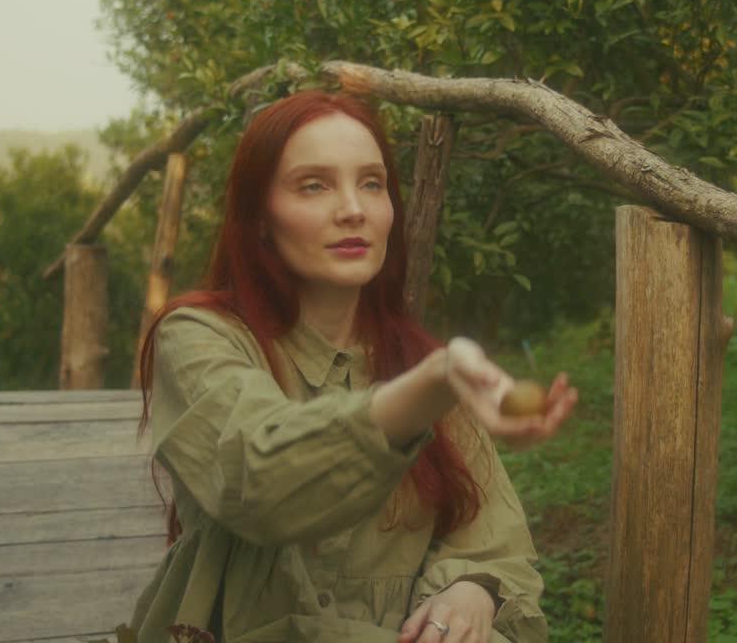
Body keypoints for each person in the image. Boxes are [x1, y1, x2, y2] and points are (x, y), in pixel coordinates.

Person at [129, 90, 578, 643]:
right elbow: (258, 478)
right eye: (313, 185)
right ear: (260, 217)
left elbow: (492, 539)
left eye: (371, 183)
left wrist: (470, 587)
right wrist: (428, 387)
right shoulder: (198, 338)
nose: (353, 209)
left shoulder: (418, 363)